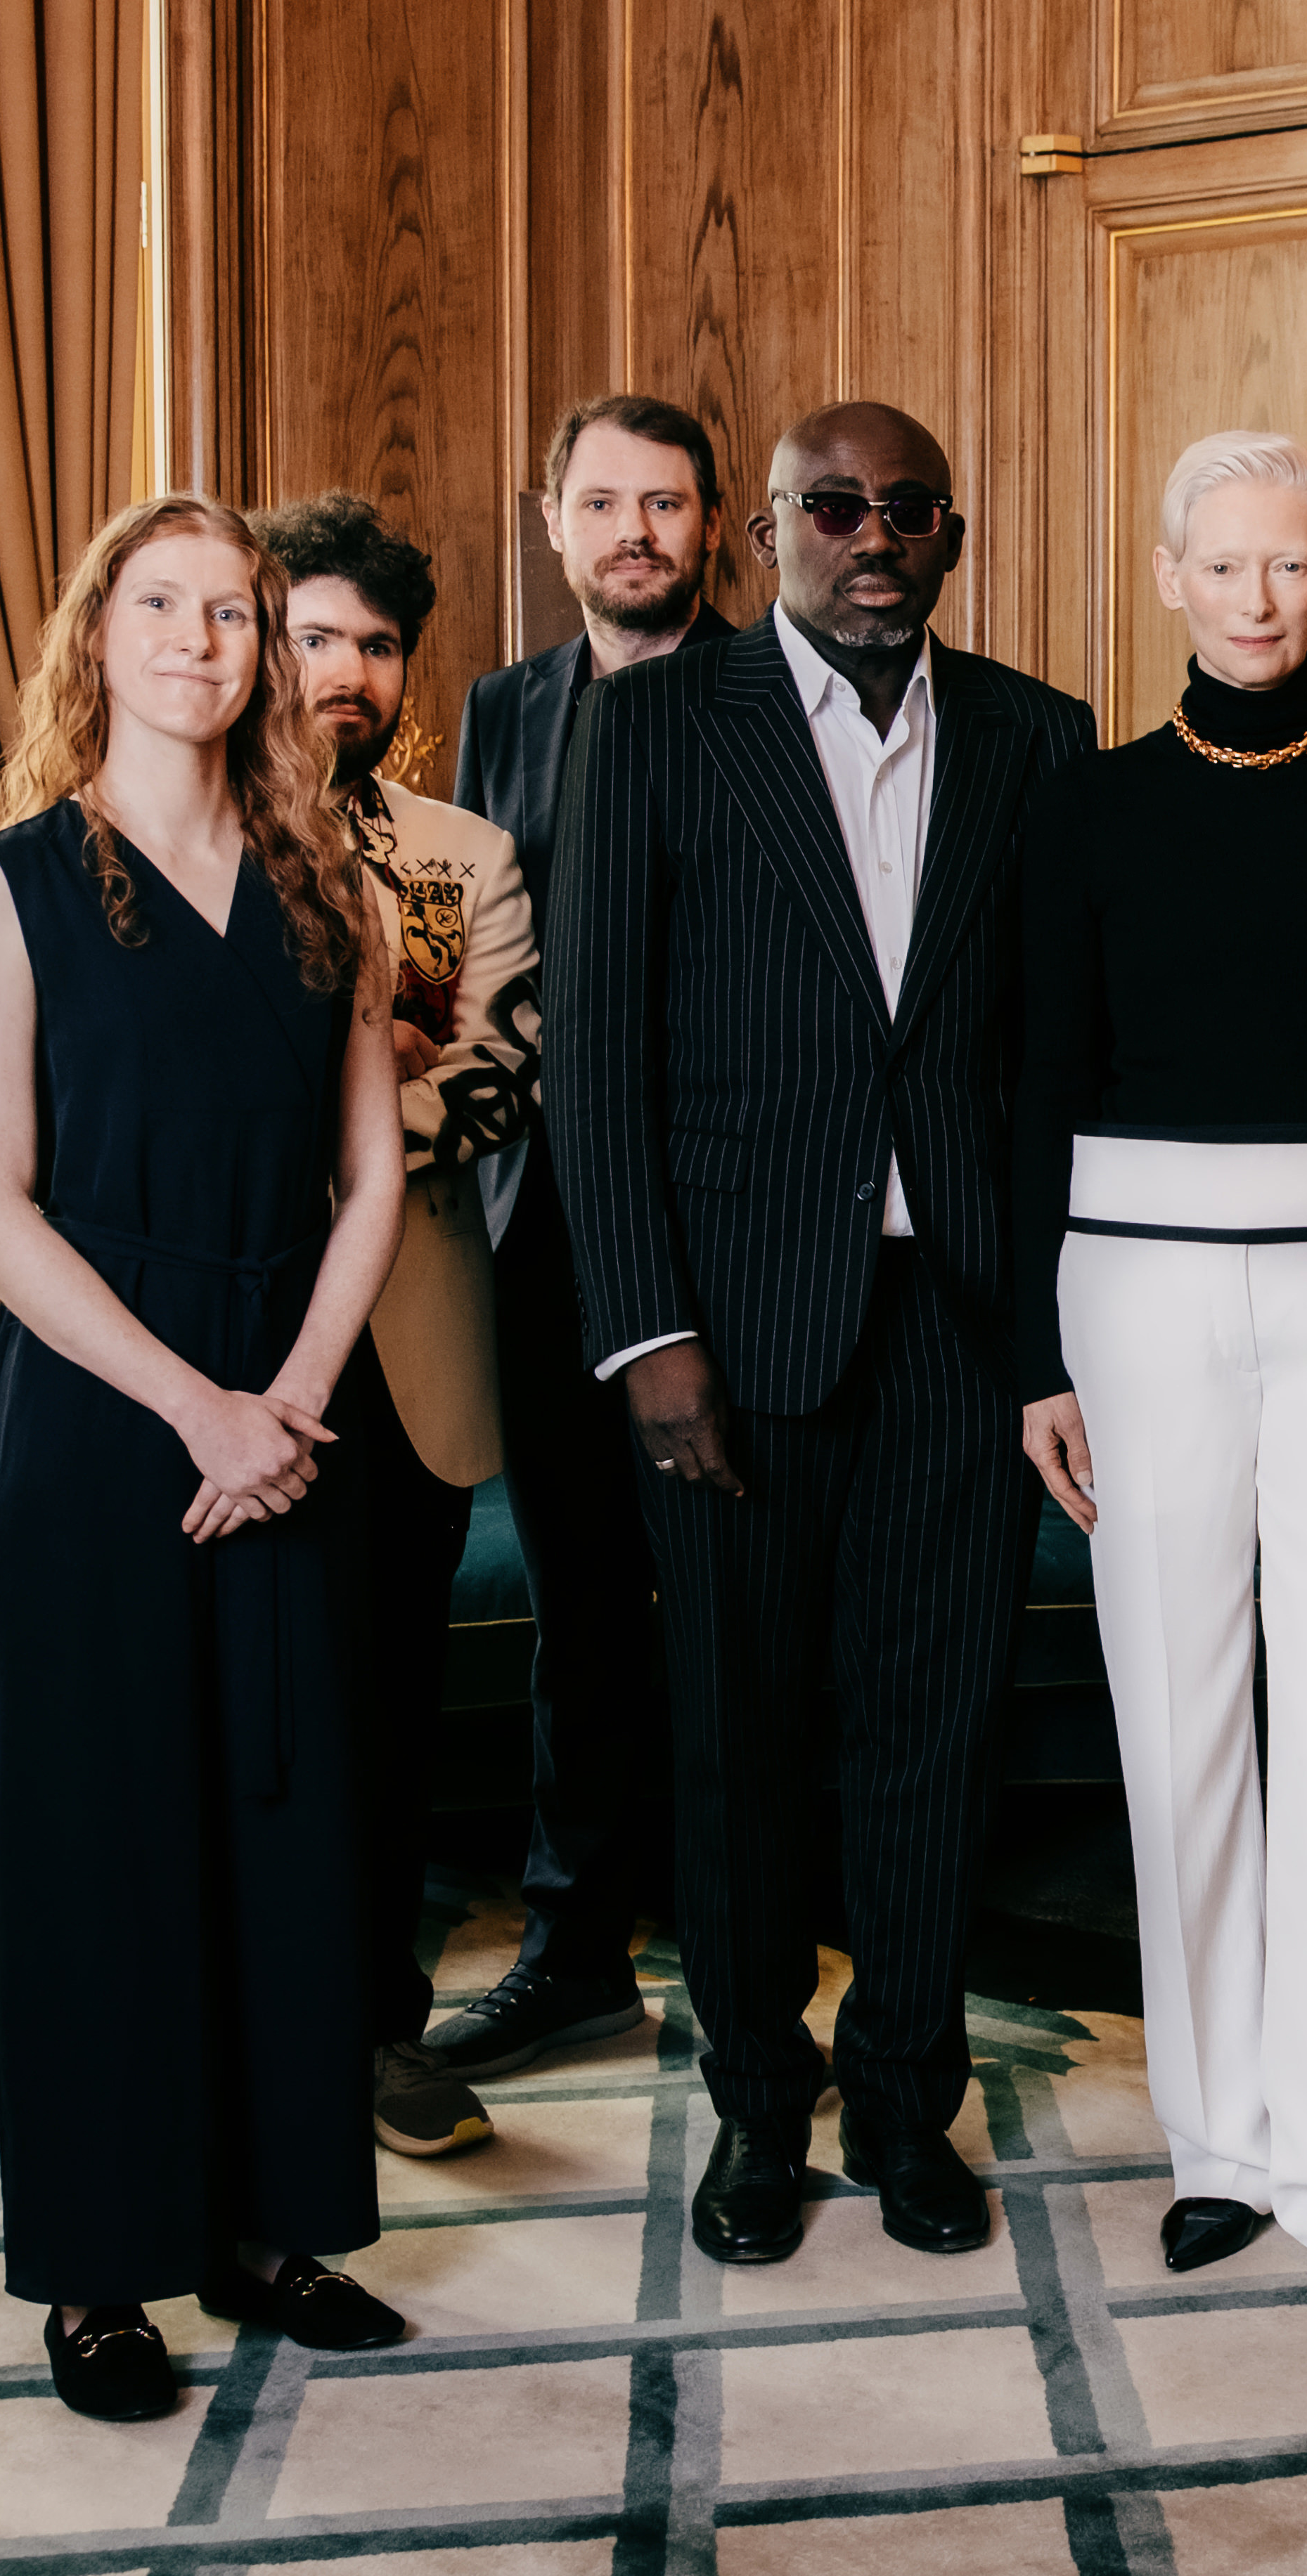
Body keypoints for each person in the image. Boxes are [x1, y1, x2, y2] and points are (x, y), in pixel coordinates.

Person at [545, 401, 1097, 2271]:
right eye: (833, 507)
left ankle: (902, 2107)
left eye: (907, 511)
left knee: (931, 1742)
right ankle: (756, 2112)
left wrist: (1043, 1341)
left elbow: (1040, 1070)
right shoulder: (649, 726)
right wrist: (644, 1333)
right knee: (738, 1747)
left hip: (951, 1324)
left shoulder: (1035, 737)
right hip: (729, 1341)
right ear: (766, 529)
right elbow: (595, 1061)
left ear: (954, 534)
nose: (872, 537)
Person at [0, 495, 412, 2419]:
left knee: (286, 1836)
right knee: (99, 1849)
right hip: (96, 1412)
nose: (204, 641)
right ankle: (105, 2274)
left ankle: (271, 2227)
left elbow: (370, 1179)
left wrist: (286, 1400)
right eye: (165, 605)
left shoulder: (336, 893)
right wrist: (195, 1408)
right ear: (97, 632)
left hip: (284, 1414)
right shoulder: (7, 880)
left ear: (273, 658)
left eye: (236, 614)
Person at [1015, 430, 1307, 2325]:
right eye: (1222, 564)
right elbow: (1035, 1073)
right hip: (1127, 1286)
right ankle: (1213, 2138)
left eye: (1288, 562)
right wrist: (1033, 1353)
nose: (1256, 594)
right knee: (1181, 1710)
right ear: (1167, 574)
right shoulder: (1084, 805)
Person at [429, 396, 736, 2083]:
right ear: (550, 519)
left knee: (721, 1598)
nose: (634, 530)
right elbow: (443, 954)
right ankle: (573, 1948)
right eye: (603, 501)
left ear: (712, 525)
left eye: (667, 503)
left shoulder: (778, 697)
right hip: (534, 1224)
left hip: (714, 1243)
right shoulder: (500, 708)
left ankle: (746, 1942)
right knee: (579, 1608)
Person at [251, 491, 541, 2163]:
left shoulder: (460, 858)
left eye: (374, 643)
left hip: (412, 1348)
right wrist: (371, 1091)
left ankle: (377, 2027)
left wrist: (330, 1130)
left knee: (378, 1712)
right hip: (208, 1346)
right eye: (315, 635)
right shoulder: (166, 839)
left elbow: (498, 1076)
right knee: (245, 1700)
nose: (346, 667)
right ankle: (243, 2020)